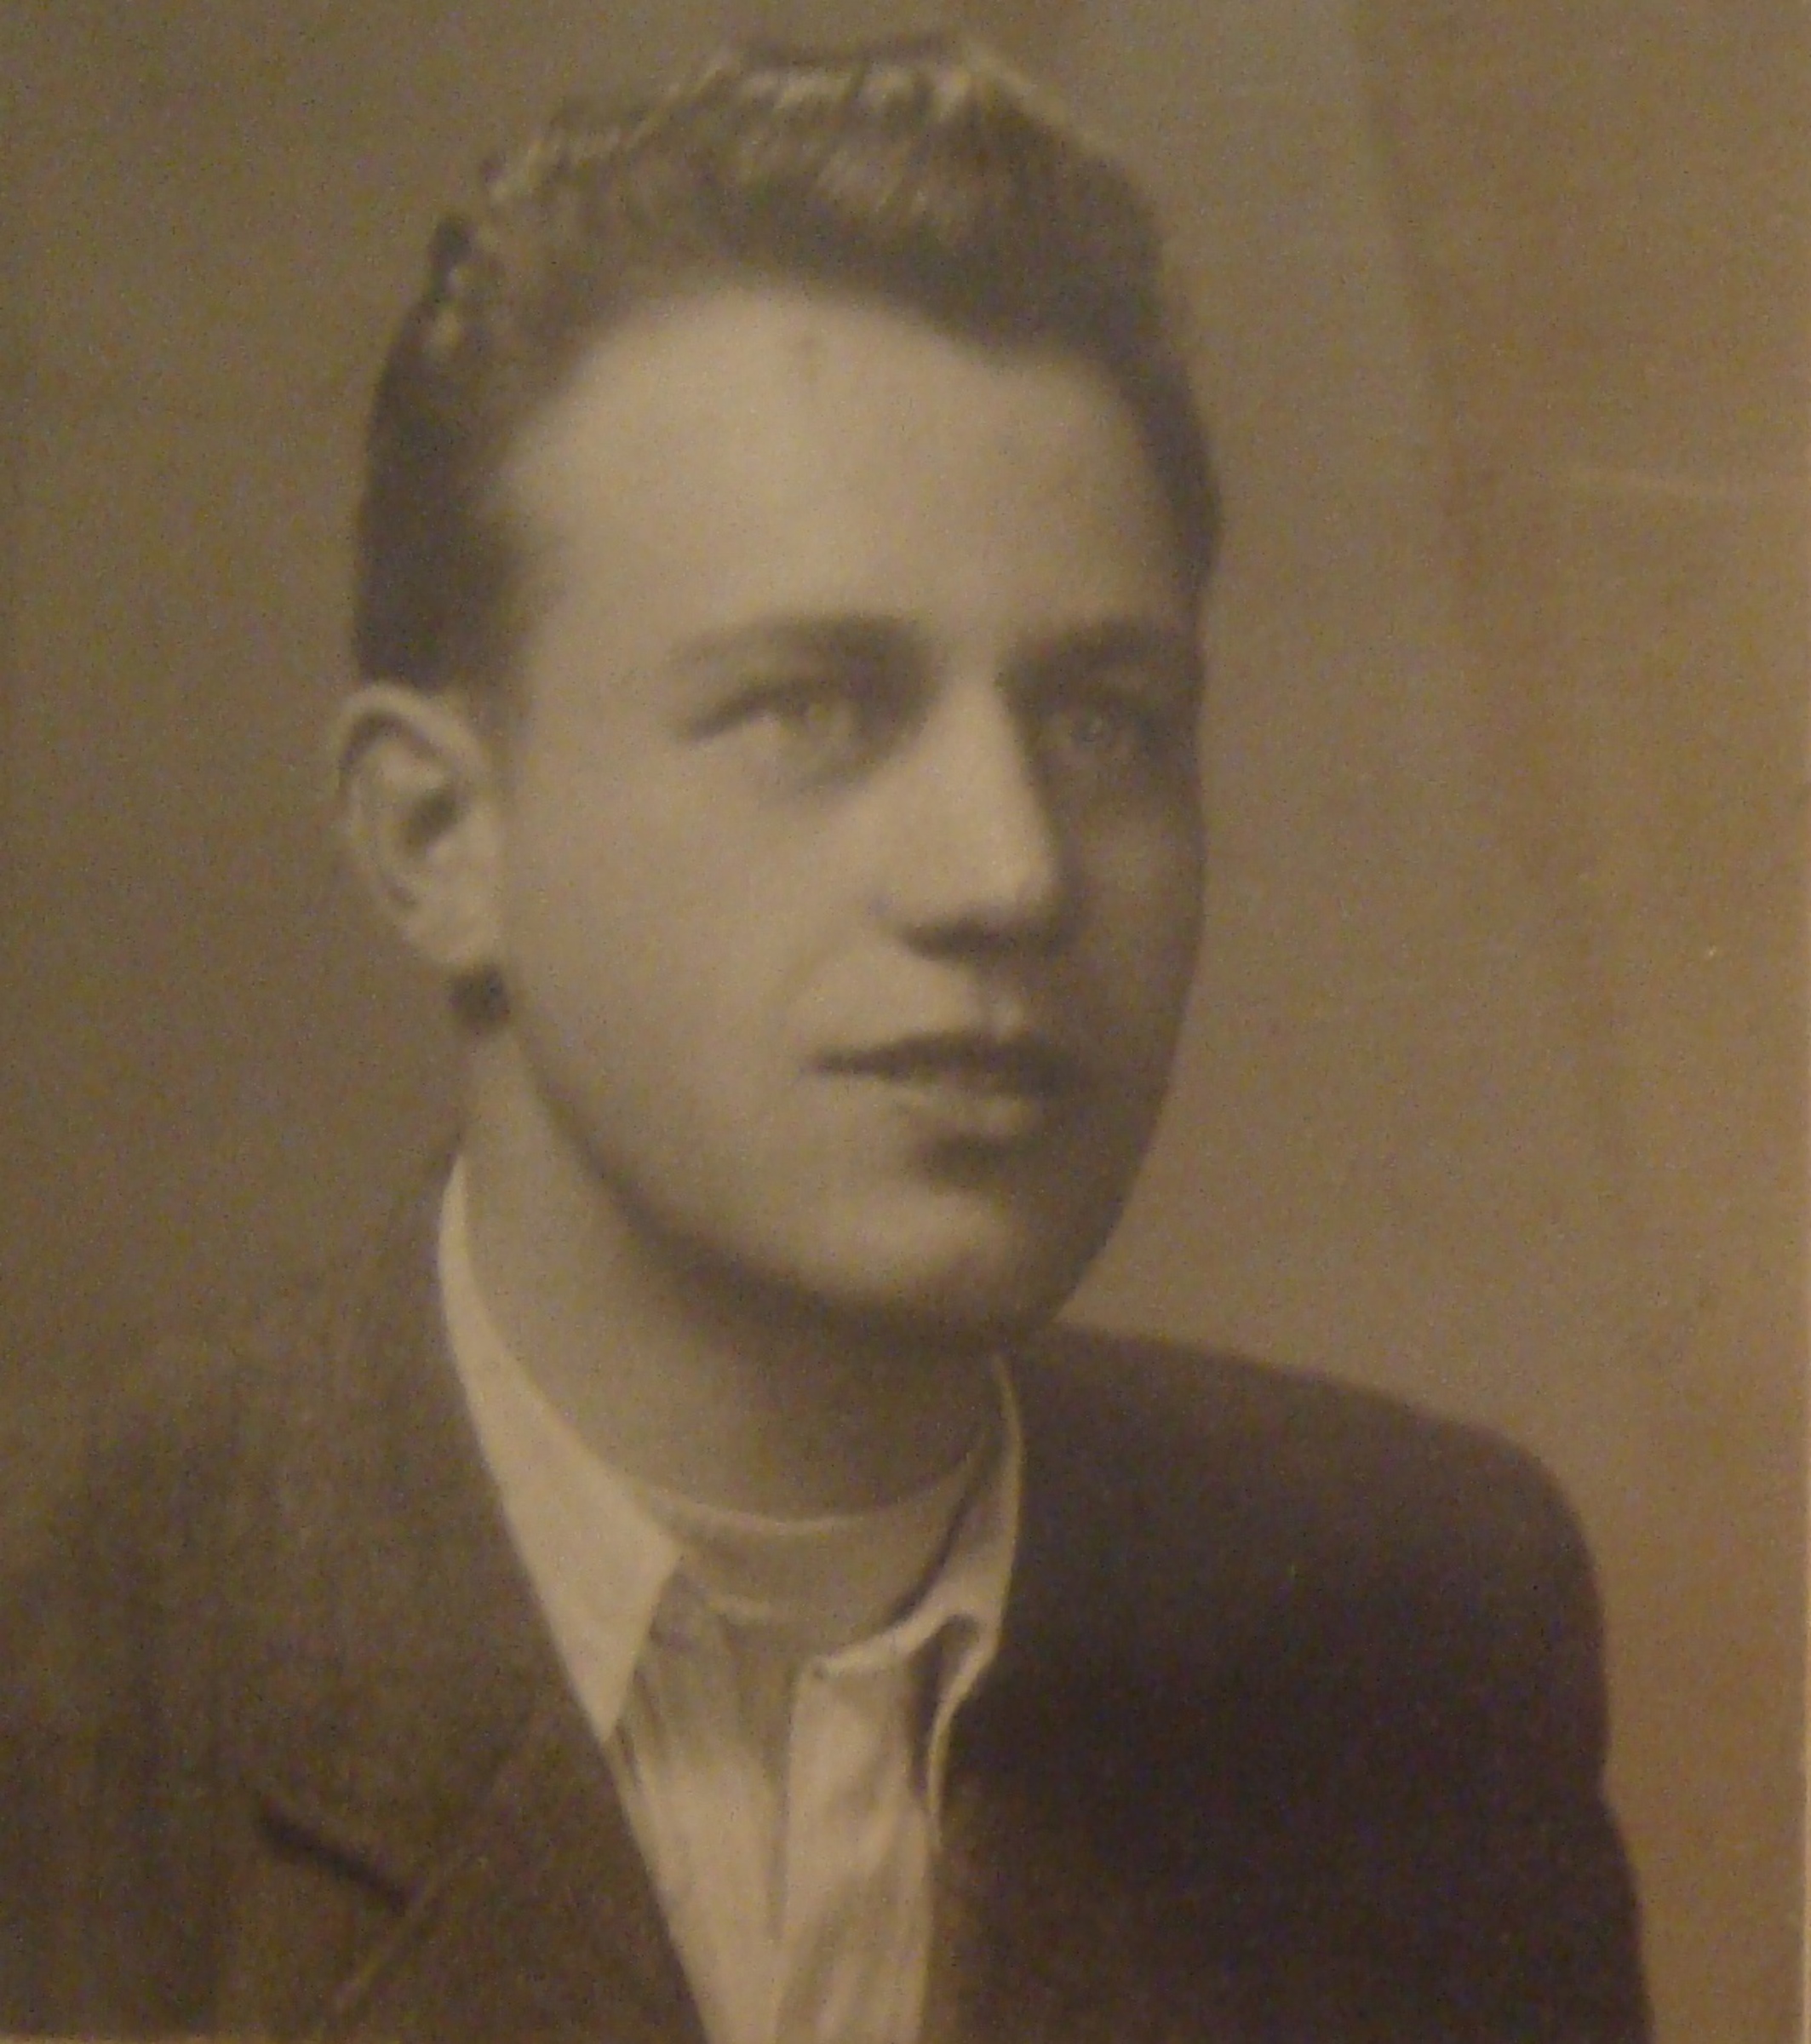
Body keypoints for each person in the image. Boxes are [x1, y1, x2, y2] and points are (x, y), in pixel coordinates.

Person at [0, 34, 1648, 2042]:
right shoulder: (74, 1655)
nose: (1006, 871)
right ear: (437, 841)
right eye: (810, 707)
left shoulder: (1412, 1643)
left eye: (1102, 721)